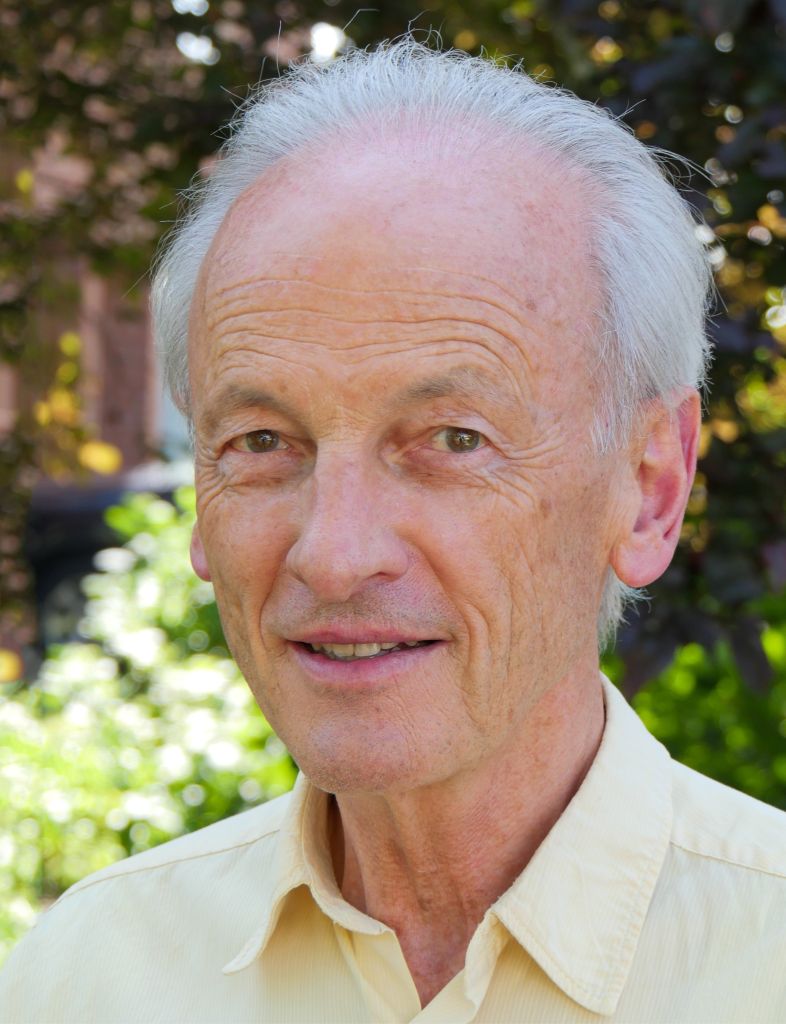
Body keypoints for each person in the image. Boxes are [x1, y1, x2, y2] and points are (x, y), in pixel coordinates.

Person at [2, 37, 785, 1024]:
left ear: (651, 487)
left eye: (453, 439)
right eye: (260, 440)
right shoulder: (85, 978)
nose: (335, 555)